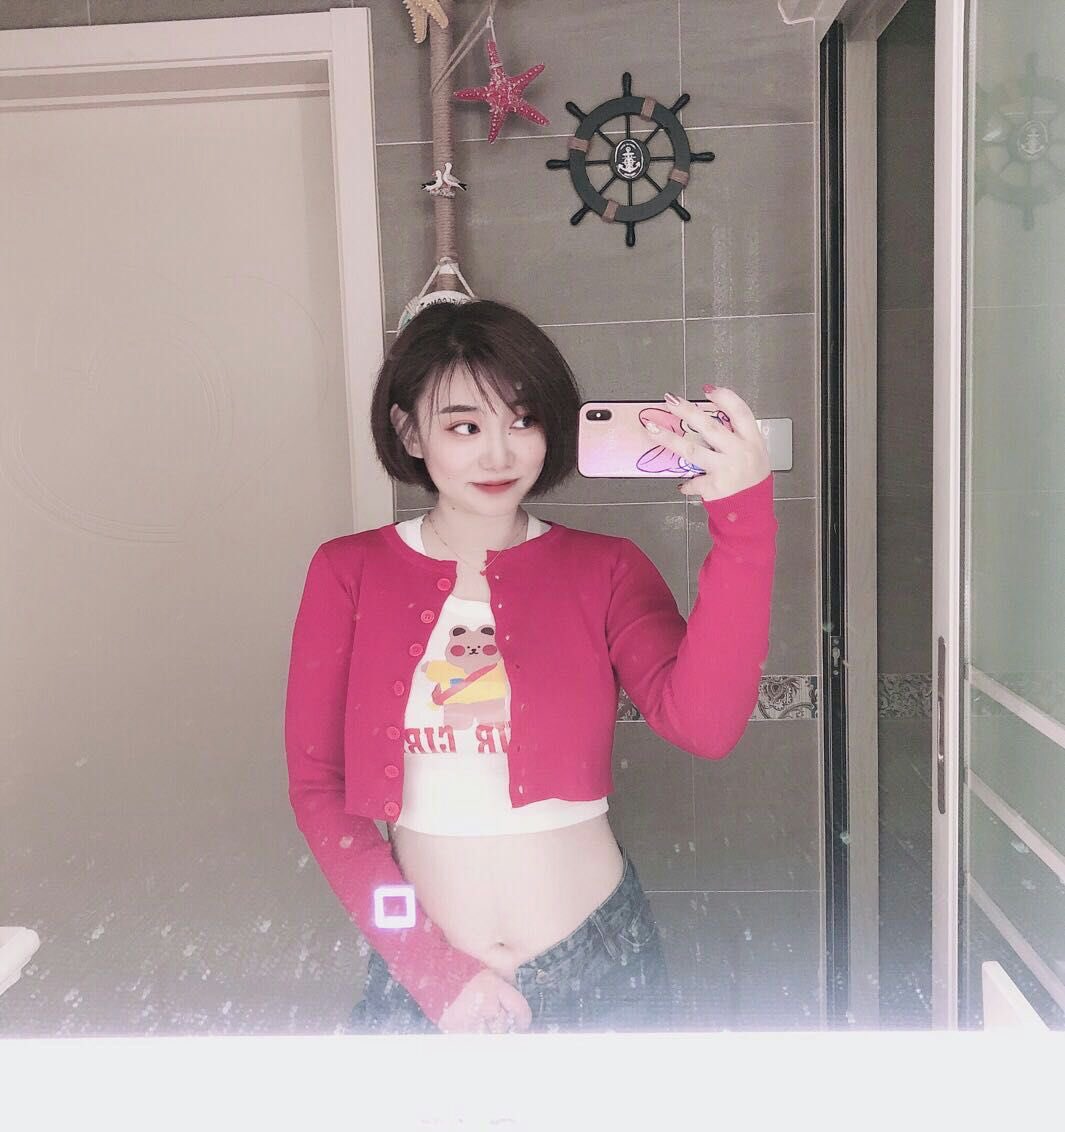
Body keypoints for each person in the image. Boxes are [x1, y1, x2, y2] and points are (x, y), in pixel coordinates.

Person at [284, 299, 776, 1035]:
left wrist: (744, 522)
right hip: (423, 980)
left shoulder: (604, 567)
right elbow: (318, 788)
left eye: (522, 421)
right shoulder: (347, 572)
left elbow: (704, 726)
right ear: (409, 432)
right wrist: (432, 971)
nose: (499, 455)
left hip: (602, 965)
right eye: (464, 427)